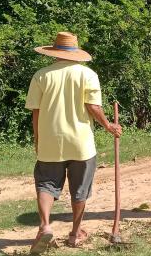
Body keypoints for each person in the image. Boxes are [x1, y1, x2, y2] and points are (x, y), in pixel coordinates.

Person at [25, 32, 122, 253]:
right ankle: (75, 234)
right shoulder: (87, 75)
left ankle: (45, 226)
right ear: (75, 53)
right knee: (80, 190)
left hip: (50, 140)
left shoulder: (41, 75)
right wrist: (109, 126)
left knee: (46, 184)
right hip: (81, 143)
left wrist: (38, 139)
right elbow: (93, 107)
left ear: (54, 52)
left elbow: (36, 113)